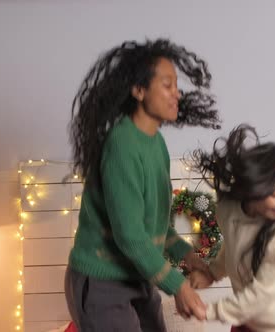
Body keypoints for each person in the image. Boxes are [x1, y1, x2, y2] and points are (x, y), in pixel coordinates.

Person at [65, 38, 221, 331]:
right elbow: (132, 237)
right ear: (138, 90)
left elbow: (158, 227)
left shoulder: (155, 143)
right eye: (167, 84)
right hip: (102, 283)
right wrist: (179, 287)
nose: (177, 93)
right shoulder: (122, 145)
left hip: (136, 277)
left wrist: (189, 258)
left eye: (177, 85)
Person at [189, 125, 275, 332]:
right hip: (248, 316)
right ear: (254, 187)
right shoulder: (228, 210)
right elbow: (233, 245)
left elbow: (263, 293)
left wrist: (210, 311)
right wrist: (212, 273)